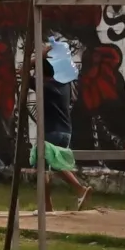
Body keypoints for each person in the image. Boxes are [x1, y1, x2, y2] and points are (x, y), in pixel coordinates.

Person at [36, 55, 92, 212]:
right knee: (55, 165)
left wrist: (39, 56)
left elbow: (22, 72)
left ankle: (48, 205)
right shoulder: (64, 85)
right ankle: (79, 191)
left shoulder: (44, 86)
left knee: (43, 168)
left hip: (50, 131)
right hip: (65, 131)